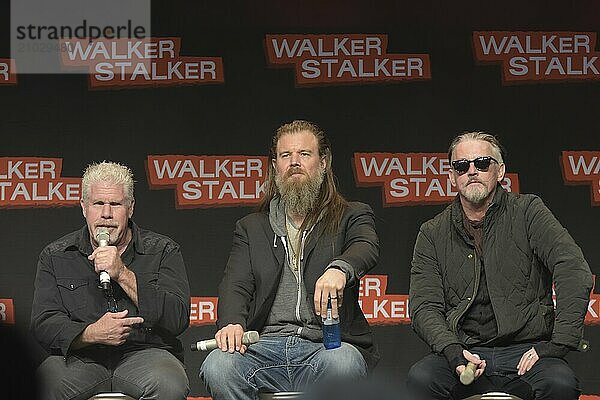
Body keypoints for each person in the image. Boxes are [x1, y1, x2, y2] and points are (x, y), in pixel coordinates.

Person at [200, 120, 380, 399]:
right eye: (286, 156)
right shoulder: (251, 227)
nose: (294, 163)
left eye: (304, 155)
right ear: (275, 167)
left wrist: (340, 269)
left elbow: (365, 245)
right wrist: (233, 322)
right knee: (219, 366)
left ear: (323, 163)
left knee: (345, 363)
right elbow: (235, 284)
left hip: (325, 347)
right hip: (263, 346)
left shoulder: (351, 215)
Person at [407, 132, 593, 400]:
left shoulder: (529, 212)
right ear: (452, 176)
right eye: (462, 166)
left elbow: (572, 269)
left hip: (527, 351)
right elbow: (424, 305)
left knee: (560, 384)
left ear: (500, 171)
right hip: (465, 351)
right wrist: (452, 350)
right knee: (421, 379)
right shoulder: (432, 232)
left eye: (482, 163)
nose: (472, 171)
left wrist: (559, 343)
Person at [31, 161, 190, 400]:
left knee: (168, 384)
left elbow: (177, 317)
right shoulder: (56, 255)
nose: (106, 214)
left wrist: (123, 274)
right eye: (98, 204)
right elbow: (44, 322)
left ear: (131, 208)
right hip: (79, 359)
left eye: (115, 204)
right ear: (84, 207)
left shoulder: (163, 250)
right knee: (44, 383)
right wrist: (90, 334)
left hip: (146, 354)